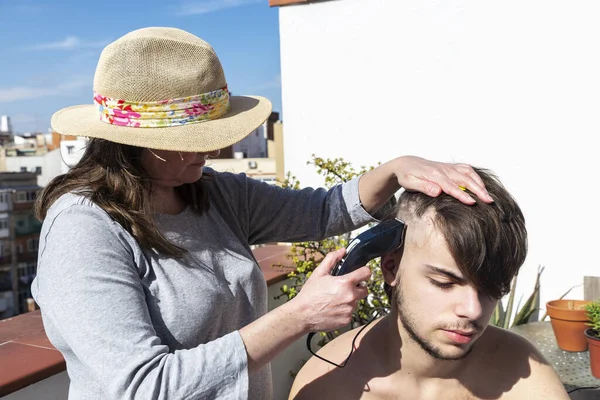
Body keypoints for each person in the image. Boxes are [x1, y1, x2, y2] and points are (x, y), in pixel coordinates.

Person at [31, 27, 493, 400]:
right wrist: (299, 315)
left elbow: (325, 209)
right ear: (131, 143)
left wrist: (396, 170)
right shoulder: (84, 229)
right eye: (192, 140)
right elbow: (141, 387)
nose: (214, 148)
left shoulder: (210, 193)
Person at [289, 167, 570, 399]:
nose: (473, 310)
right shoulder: (331, 386)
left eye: (490, 288)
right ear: (391, 267)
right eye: (444, 282)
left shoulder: (524, 374)